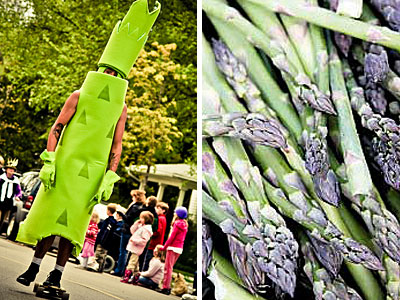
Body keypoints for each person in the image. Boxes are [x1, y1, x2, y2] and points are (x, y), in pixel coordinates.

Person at [15, 67, 127, 288]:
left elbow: (117, 143)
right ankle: (34, 267)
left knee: (73, 227)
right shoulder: (79, 95)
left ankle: (56, 274)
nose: (110, 77)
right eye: (107, 70)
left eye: (116, 73)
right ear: (98, 71)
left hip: (92, 174)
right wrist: (50, 160)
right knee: (50, 219)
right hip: (65, 164)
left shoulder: (120, 108)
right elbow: (58, 126)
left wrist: (110, 175)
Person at [111, 189, 146, 276]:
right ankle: (122, 269)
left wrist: (121, 213)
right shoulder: (141, 207)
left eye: (133, 196)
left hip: (127, 229)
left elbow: (128, 219)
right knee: (126, 251)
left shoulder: (135, 207)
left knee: (123, 251)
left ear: (136, 197)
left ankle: (119, 270)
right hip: (131, 230)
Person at [159, 206, 189, 295]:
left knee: (167, 268)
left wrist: (164, 247)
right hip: (179, 248)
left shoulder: (176, 224)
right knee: (170, 268)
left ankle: (166, 287)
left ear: (178, 214)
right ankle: (167, 286)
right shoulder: (185, 224)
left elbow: (172, 237)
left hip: (172, 247)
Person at [121, 211, 154, 284]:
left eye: (141, 218)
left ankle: (127, 276)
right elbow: (132, 231)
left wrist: (135, 241)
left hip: (137, 248)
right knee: (136, 264)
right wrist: (136, 224)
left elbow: (144, 240)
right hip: (133, 247)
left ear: (146, 219)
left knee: (132, 262)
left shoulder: (146, 229)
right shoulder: (141, 226)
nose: (140, 219)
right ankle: (136, 277)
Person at [89, 203, 117, 272]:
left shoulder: (109, 221)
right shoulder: (112, 221)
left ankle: (97, 267)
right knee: (103, 255)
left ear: (109, 211)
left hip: (103, 241)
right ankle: (101, 267)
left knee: (99, 254)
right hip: (107, 242)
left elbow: (106, 232)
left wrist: (101, 240)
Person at [142, 201, 168, 272]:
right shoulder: (164, 219)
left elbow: (158, 231)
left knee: (148, 259)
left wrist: (151, 234)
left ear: (163, 210)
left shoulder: (160, 218)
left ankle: (144, 273)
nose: (156, 209)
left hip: (154, 243)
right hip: (158, 242)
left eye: (158, 208)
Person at [0, 158, 22, 233]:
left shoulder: (15, 181)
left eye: (13, 170)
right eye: (10, 169)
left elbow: (18, 191)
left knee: (4, 218)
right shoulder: (1, 178)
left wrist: (18, 196)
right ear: (6, 170)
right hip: (0, 200)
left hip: (8, 202)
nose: (11, 171)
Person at [139, 195, 159, 270]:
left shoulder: (144, 211)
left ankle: (128, 272)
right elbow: (155, 228)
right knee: (142, 257)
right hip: (147, 238)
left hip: (139, 235)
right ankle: (138, 272)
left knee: (134, 255)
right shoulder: (155, 215)